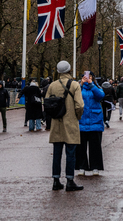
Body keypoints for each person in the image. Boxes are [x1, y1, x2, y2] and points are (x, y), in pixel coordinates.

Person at [46, 60, 84, 191]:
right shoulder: (74, 85)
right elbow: (79, 105)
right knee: (71, 153)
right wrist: (77, 117)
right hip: (70, 122)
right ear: (69, 70)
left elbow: (47, 104)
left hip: (57, 122)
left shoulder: (52, 85)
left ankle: (56, 180)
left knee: (57, 153)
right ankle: (69, 180)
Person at [76, 71, 105, 176]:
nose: (87, 78)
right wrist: (81, 84)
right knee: (80, 147)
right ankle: (81, 167)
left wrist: (91, 84)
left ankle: (95, 167)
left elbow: (100, 96)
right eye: (85, 76)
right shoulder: (79, 88)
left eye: (89, 76)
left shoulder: (96, 88)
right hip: (81, 121)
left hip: (95, 121)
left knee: (95, 147)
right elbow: (73, 96)